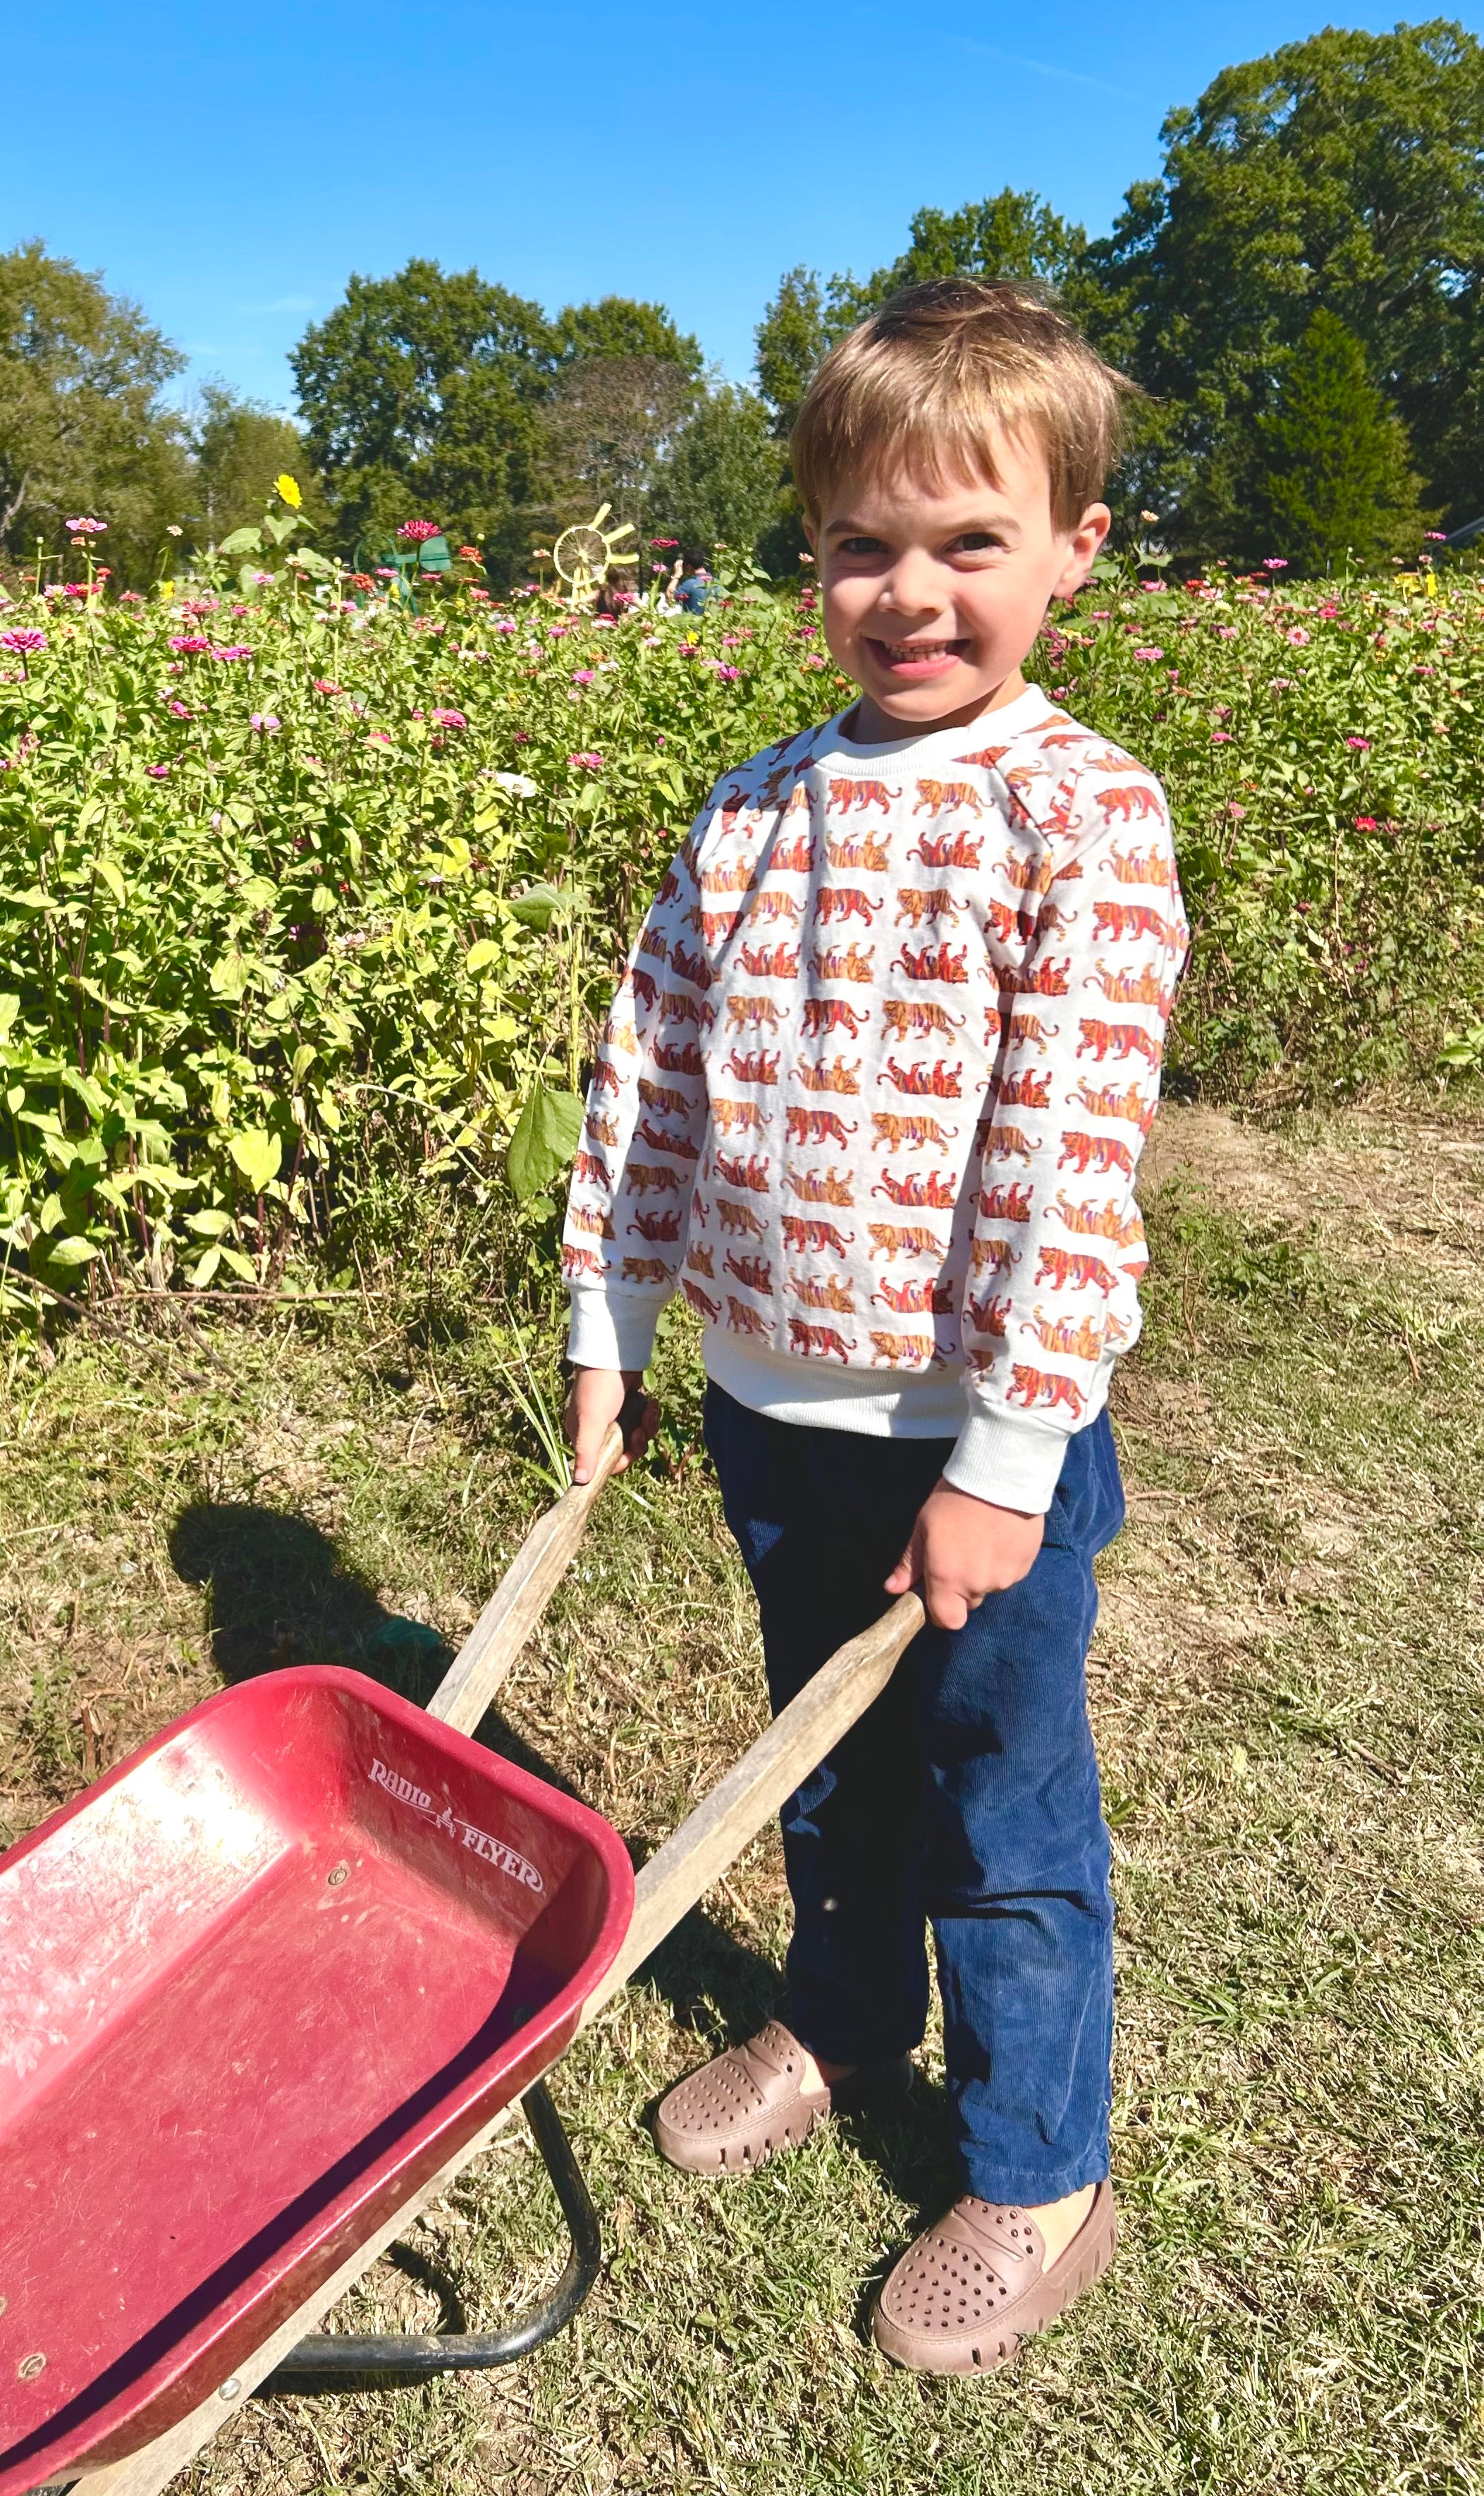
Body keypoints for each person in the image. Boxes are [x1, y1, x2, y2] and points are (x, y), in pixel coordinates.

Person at [559, 279, 1186, 2373]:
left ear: (1075, 546)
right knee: (822, 1771)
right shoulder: (749, 811)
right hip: (773, 1403)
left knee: (1002, 1800)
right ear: (811, 551)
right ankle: (835, 2022)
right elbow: (645, 1073)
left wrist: (1002, 1461)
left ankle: (1035, 2165)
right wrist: (609, 1312)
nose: (909, 593)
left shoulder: (1079, 814)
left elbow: (1066, 1161)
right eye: (862, 546)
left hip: (977, 1428)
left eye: (968, 542)